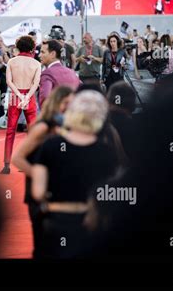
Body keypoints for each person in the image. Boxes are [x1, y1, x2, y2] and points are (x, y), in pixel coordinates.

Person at [31, 91, 117, 258]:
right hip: (90, 222)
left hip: (56, 218)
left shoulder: (51, 146)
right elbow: (109, 192)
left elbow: (38, 192)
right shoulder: (106, 151)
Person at [12, 86, 74, 258]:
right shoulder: (42, 127)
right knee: (42, 244)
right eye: (66, 103)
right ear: (56, 103)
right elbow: (17, 158)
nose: (69, 108)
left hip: (55, 192)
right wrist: (40, 176)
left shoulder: (64, 125)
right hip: (36, 191)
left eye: (72, 104)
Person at [1, 36, 41, 174]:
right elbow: (35, 84)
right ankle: (30, 161)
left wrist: (18, 95)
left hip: (15, 96)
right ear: (31, 47)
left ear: (18, 46)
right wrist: (26, 97)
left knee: (10, 131)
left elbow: (8, 82)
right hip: (29, 97)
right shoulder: (36, 64)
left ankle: (6, 165)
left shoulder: (12, 61)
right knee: (33, 132)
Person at [39, 40, 80, 107]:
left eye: (43, 52)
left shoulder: (47, 74)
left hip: (55, 114)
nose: (39, 55)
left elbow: (44, 99)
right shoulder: (71, 72)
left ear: (53, 54)